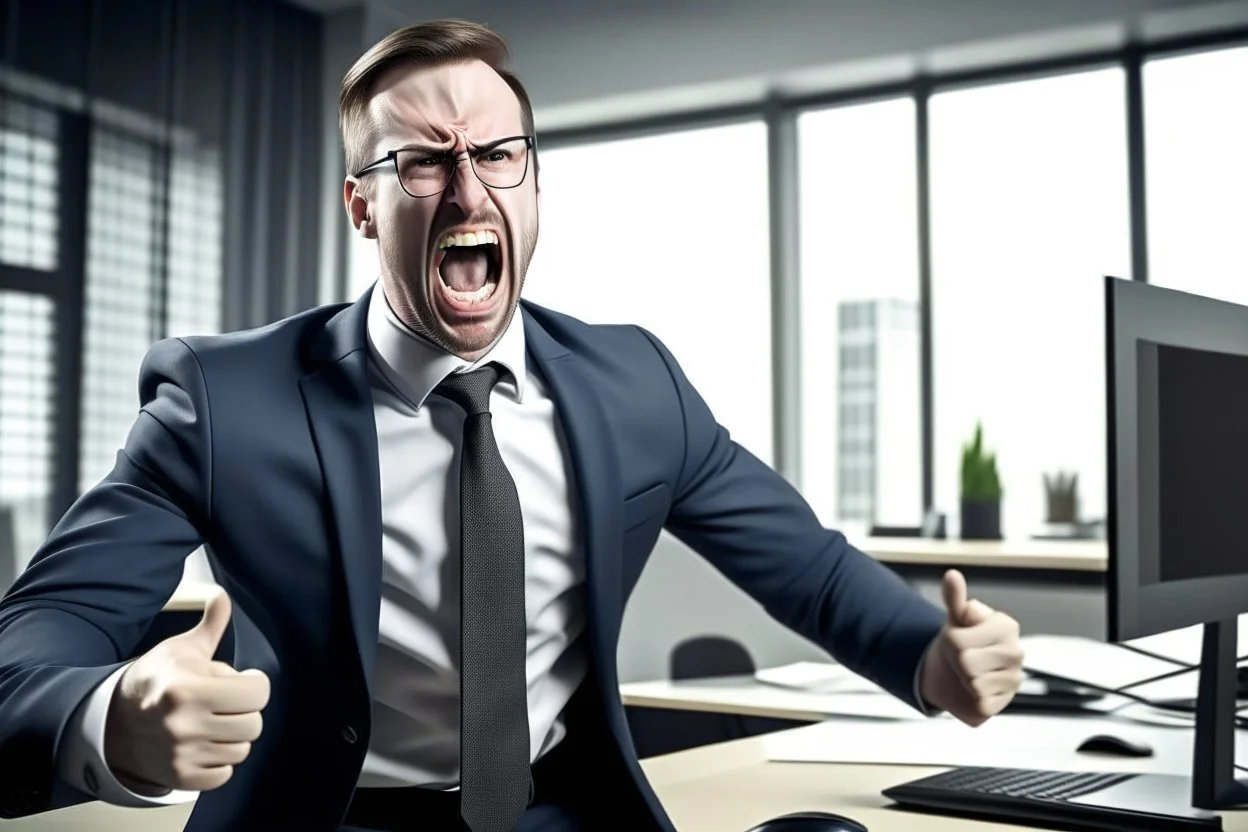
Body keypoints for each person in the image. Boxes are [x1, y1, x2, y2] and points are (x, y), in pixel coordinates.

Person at [0, 17, 1024, 832]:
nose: (468, 185)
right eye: (424, 163)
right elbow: (35, 641)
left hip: (563, 810)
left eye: (497, 153)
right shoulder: (225, 399)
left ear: (535, 181)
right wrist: (113, 714)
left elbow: (802, 562)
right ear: (362, 206)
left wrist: (928, 657)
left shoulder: (633, 382)